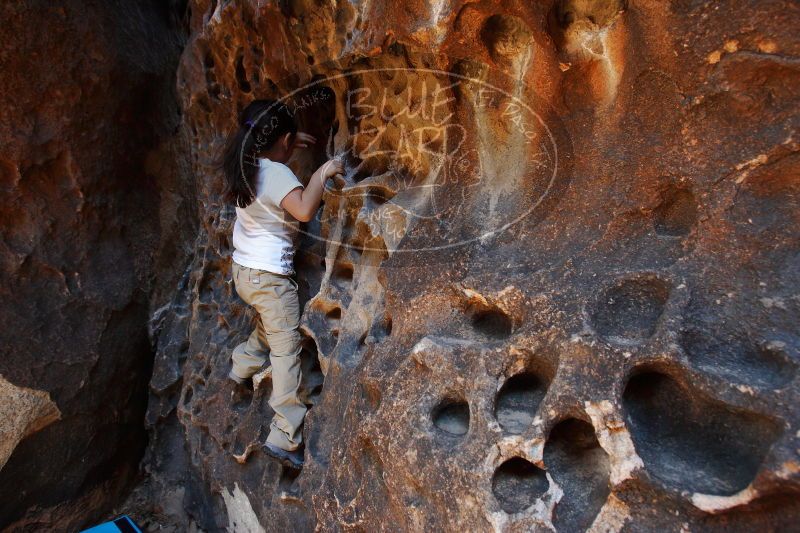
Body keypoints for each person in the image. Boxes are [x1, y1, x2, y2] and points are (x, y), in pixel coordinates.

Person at [219, 99, 343, 468]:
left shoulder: (245, 162)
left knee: (271, 325)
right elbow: (303, 208)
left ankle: (241, 365)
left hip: (244, 272)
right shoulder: (277, 175)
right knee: (286, 351)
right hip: (271, 280)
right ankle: (285, 435)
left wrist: (285, 145)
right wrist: (323, 171)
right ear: (285, 140)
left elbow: (272, 178)